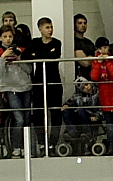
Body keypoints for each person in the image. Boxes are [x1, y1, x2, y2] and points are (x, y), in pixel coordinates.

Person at [0, 24, 32, 158]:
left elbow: (29, 70)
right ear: (0, 38)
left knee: (26, 119)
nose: (8, 39)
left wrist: (20, 59)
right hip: (10, 88)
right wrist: (4, 58)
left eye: (10, 36)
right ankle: (16, 147)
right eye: (5, 37)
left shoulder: (21, 50)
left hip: (25, 87)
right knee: (19, 119)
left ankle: (26, 146)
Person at [27, 17, 63, 156]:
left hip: (54, 81)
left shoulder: (57, 43)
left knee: (55, 113)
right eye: (47, 27)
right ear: (40, 29)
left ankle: (53, 143)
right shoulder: (35, 42)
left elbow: (54, 56)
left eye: (51, 27)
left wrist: (39, 55)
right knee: (38, 114)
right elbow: (28, 55)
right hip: (39, 82)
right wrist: (42, 55)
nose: (50, 30)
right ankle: (42, 143)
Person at [91, 37, 113, 155]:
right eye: (101, 48)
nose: (104, 50)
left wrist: (108, 61)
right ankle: (110, 145)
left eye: (105, 47)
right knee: (109, 125)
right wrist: (99, 64)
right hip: (105, 97)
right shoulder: (96, 60)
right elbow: (94, 77)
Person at [73, 13, 95, 81]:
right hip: (80, 77)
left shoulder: (89, 42)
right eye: (80, 23)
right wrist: (94, 59)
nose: (83, 25)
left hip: (92, 76)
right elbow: (85, 62)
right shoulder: (73, 42)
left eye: (85, 23)